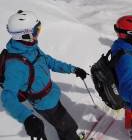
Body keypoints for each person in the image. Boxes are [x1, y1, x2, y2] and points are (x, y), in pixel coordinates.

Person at [1, 10, 88, 140]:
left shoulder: (30, 47)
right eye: (36, 30)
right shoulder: (15, 66)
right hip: (44, 104)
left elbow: (49, 61)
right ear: (24, 35)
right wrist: (27, 118)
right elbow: (8, 97)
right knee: (68, 126)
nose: (39, 33)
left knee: (63, 125)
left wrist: (73, 69)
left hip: (51, 94)